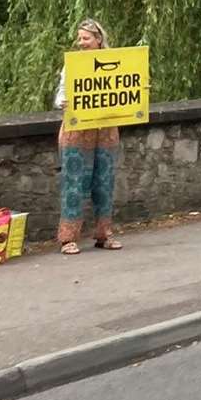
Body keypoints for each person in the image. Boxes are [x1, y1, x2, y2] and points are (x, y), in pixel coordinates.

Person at [52, 18, 123, 254]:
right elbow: (60, 94)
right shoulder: (72, 64)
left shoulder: (116, 62)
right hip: (77, 129)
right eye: (80, 38)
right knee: (74, 182)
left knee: (104, 182)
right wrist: (62, 102)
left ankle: (104, 234)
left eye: (86, 38)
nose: (81, 42)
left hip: (105, 129)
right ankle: (68, 238)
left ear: (98, 39)